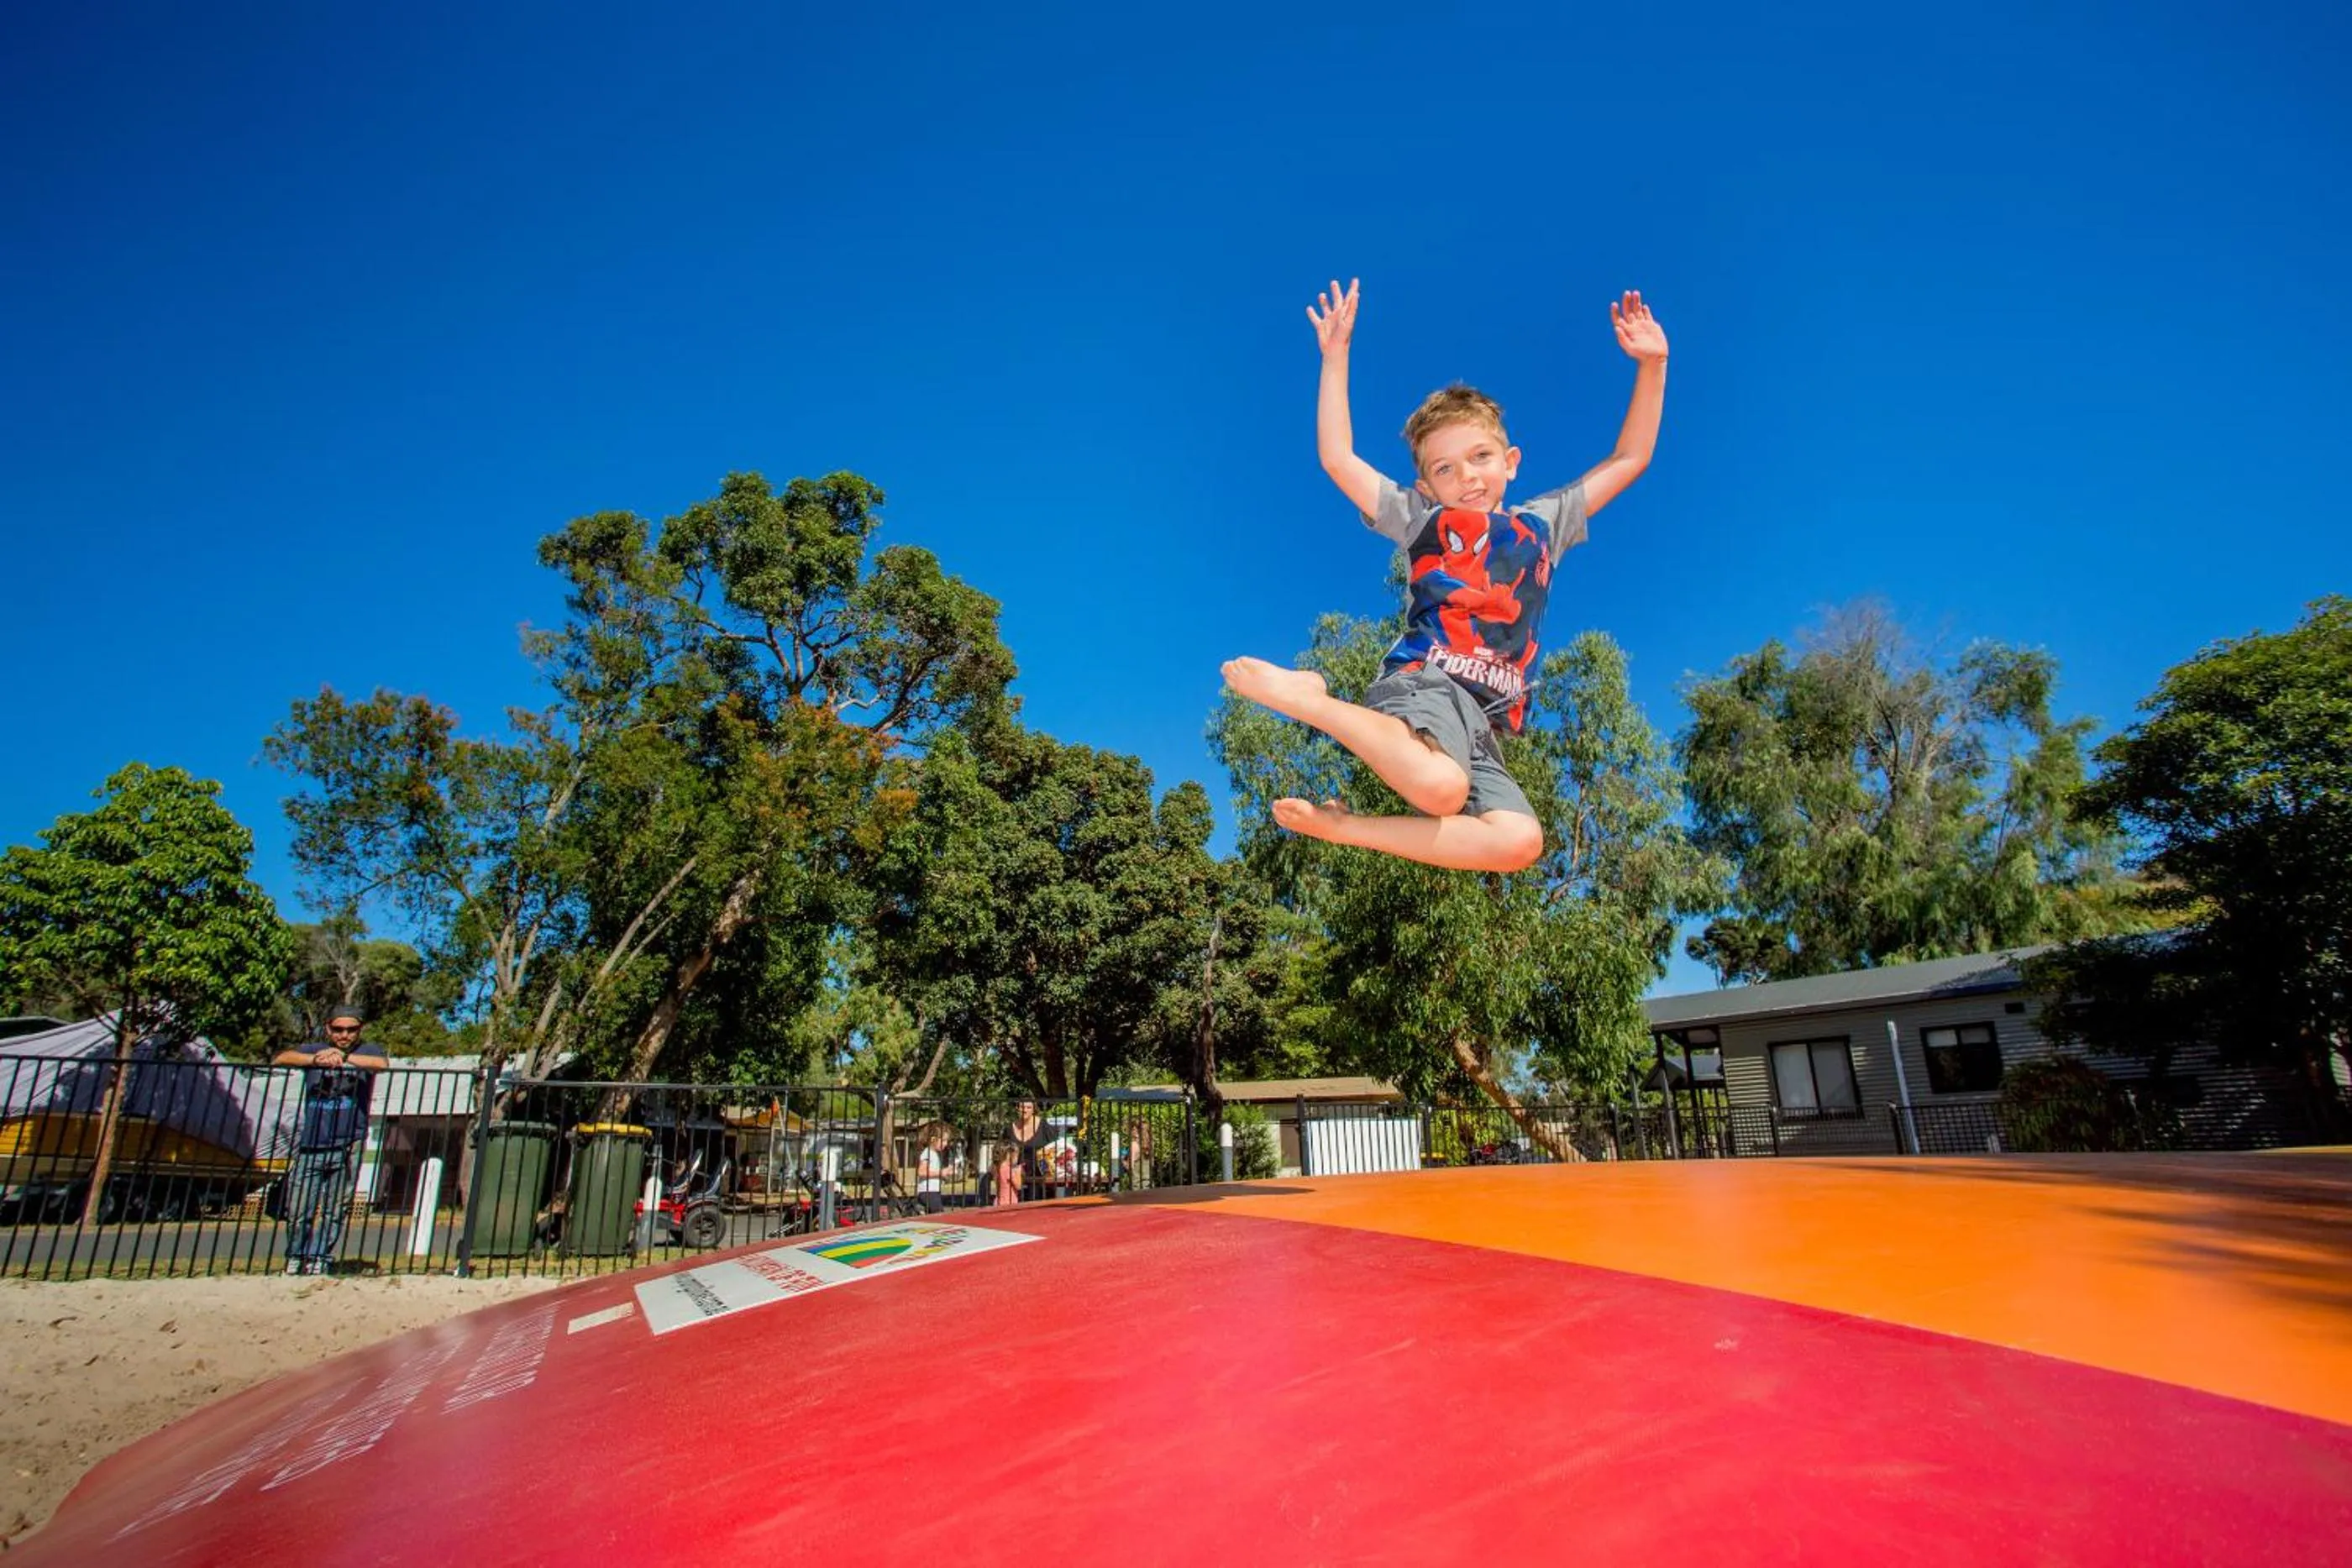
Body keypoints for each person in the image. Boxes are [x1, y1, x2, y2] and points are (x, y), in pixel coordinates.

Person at [1221, 278, 1669, 873]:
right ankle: (1315, 701)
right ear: (1427, 486)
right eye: (1446, 468)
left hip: (1481, 726)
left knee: (1517, 841)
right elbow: (1338, 459)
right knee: (1441, 789)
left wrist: (1654, 364)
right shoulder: (1422, 518)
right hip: (1424, 683)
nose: (1468, 477)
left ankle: (1346, 826)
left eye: (1482, 457)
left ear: (1511, 462)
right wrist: (1335, 357)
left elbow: (1630, 458)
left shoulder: (1543, 524)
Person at [270, 1006, 387, 1276]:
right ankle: (296, 1255)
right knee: (300, 1208)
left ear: (360, 1030)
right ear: (328, 1028)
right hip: (311, 1142)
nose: (344, 1035)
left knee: (336, 1208)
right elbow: (280, 1058)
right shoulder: (314, 1049)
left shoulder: (367, 1051)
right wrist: (315, 1061)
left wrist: (345, 1057)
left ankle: (320, 1256)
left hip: (349, 1142)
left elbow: (381, 1065)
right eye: (338, 1029)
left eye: (351, 1029)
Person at [915, 1121, 952, 1215]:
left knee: (934, 1217)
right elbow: (921, 1172)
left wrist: (944, 1175)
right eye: (943, 1140)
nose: (946, 1143)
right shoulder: (928, 1153)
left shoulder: (934, 1154)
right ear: (933, 1139)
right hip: (928, 1192)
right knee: (940, 1216)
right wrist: (940, 1173)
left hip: (933, 1191)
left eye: (947, 1141)